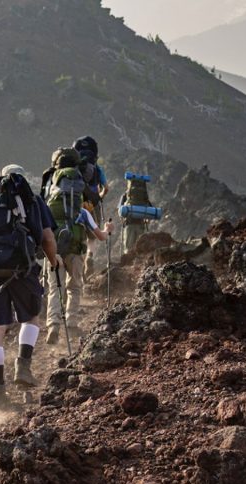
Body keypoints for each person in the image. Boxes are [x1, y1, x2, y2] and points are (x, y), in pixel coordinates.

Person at [0, 166, 60, 409]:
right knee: (31, 319)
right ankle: (23, 367)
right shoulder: (31, 200)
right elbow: (47, 238)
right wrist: (53, 260)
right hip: (21, 268)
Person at [44, 167, 114, 344]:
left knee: (54, 289)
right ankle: (72, 325)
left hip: (54, 254)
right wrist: (108, 229)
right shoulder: (82, 211)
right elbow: (100, 236)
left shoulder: (49, 208)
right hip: (76, 253)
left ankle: (53, 326)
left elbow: (43, 234)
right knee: (74, 288)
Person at [73, 136, 110, 280]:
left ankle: (79, 263)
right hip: (91, 205)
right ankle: (90, 256)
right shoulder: (96, 168)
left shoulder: (74, 167)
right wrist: (98, 197)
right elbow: (106, 188)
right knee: (92, 236)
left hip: (76, 203)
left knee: (78, 236)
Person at [121, 173, 152, 254]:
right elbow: (150, 210)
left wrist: (123, 218)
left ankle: (128, 263)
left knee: (128, 249)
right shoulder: (144, 196)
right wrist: (147, 220)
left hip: (129, 224)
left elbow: (120, 211)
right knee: (141, 248)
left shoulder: (126, 196)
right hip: (140, 224)